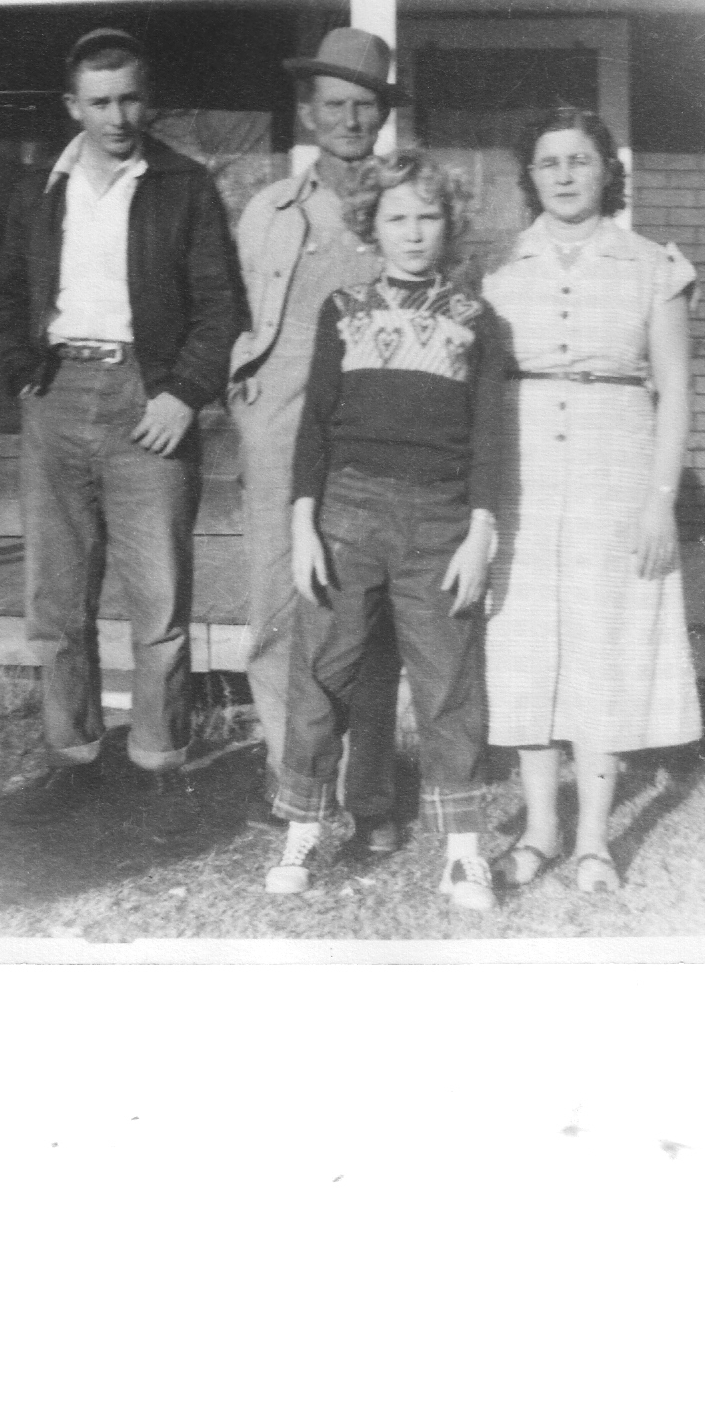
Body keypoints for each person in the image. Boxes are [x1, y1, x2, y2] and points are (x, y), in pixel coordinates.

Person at [0, 28, 246, 835]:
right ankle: (71, 759)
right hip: (57, 390)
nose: (116, 115)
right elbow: (2, 297)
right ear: (73, 106)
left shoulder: (184, 185)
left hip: (148, 399)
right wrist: (20, 373)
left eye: (130, 97)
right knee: (57, 598)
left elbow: (219, 308)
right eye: (99, 101)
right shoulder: (39, 188)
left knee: (159, 599)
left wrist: (181, 395)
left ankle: (157, 765)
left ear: (149, 97)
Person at [265, 151, 503, 911]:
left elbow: (493, 436)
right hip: (347, 511)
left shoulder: (477, 319)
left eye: (427, 216)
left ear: (449, 225)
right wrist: (304, 521)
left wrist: (481, 530)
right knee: (323, 672)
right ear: (372, 226)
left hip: (440, 519)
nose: (413, 231)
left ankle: (464, 852)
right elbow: (314, 426)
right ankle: (302, 826)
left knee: (448, 682)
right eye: (397, 217)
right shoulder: (344, 310)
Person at [481, 107, 701, 894]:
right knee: (527, 643)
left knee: (605, 641)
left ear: (609, 169)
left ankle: (593, 841)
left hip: (618, 464)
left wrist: (660, 503)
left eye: (581, 160)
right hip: (522, 470)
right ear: (530, 176)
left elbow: (674, 390)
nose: (566, 175)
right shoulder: (499, 268)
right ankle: (538, 832)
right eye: (549, 162)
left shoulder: (653, 265)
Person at [229, 28, 406, 851]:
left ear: (381, 115)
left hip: (371, 418)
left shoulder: (405, 201)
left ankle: (369, 790)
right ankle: (287, 775)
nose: (348, 119)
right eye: (333, 104)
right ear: (309, 112)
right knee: (276, 600)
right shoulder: (268, 209)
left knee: (363, 605)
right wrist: (244, 393)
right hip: (278, 417)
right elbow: (235, 315)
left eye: (364, 105)